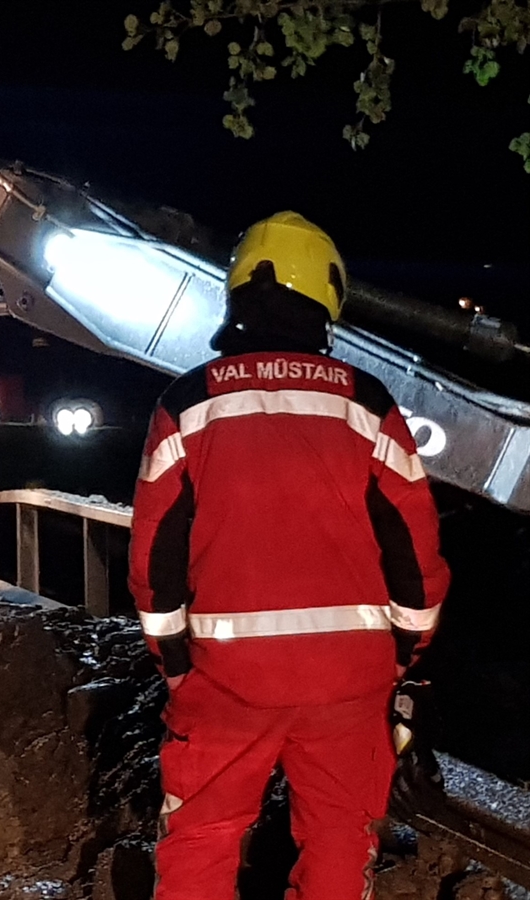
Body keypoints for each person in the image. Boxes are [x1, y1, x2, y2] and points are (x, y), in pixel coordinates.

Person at [127, 211, 450, 900]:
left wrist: (178, 665)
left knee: (203, 840)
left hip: (223, 680)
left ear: (237, 292)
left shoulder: (187, 403)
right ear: (326, 296)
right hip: (349, 684)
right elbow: (416, 557)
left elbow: (155, 560)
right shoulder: (368, 403)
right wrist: (402, 656)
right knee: (340, 839)